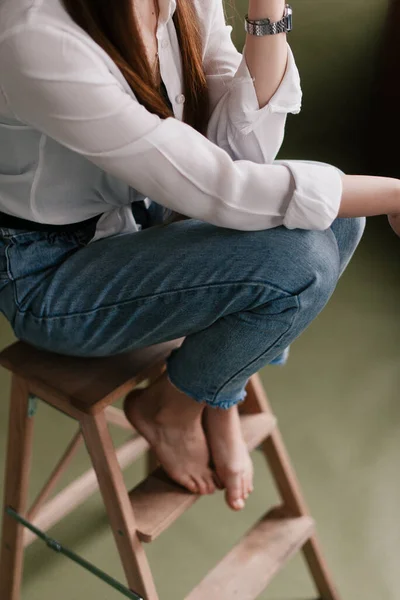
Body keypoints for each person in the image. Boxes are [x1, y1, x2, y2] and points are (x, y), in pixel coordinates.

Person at [0, 0, 398, 512]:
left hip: (143, 227)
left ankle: (213, 391)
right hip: (51, 278)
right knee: (303, 260)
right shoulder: (36, 32)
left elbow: (245, 151)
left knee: (340, 218)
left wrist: (267, 7)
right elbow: (219, 187)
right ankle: (177, 406)